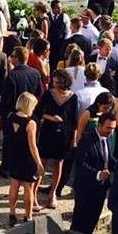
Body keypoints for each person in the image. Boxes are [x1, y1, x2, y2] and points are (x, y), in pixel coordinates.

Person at [0, 47, 42, 178]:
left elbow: (6, 98)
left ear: (17, 58)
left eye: (12, 56)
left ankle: (6, 167)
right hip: (30, 113)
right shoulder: (35, 73)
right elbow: (39, 94)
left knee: (9, 142)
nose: (10, 58)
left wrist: (3, 114)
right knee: (28, 143)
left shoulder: (12, 75)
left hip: (14, 114)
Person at [35, 69, 78, 207]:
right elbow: (38, 112)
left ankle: (52, 193)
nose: (55, 84)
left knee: (58, 165)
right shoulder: (48, 93)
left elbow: (74, 121)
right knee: (42, 163)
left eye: (57, 81)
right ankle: (33, 192)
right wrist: (51, 118)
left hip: (64, 135)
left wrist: (74, 139)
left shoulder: (73, 97)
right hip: (48, 131)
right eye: (54, 81)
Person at [71, 112, 118, 234]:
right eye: (108, 128)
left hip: (100, 189)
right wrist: (98, 174)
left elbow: (108, 158)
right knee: (80, 222)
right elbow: (80, 163)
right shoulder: (87, 139)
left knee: (92, 220)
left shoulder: (106, 138)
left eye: (113, 129)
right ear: (100, 125)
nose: (111, 132)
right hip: (86, 189)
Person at [6, 92, 45, 225]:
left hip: (13, 155)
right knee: (28, 188)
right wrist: (39, 163)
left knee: (14, 185)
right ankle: (28, 216)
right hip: (27, 158)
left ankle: (12, 212)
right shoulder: (31, 123)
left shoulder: (10, 116)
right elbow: (33, 146)